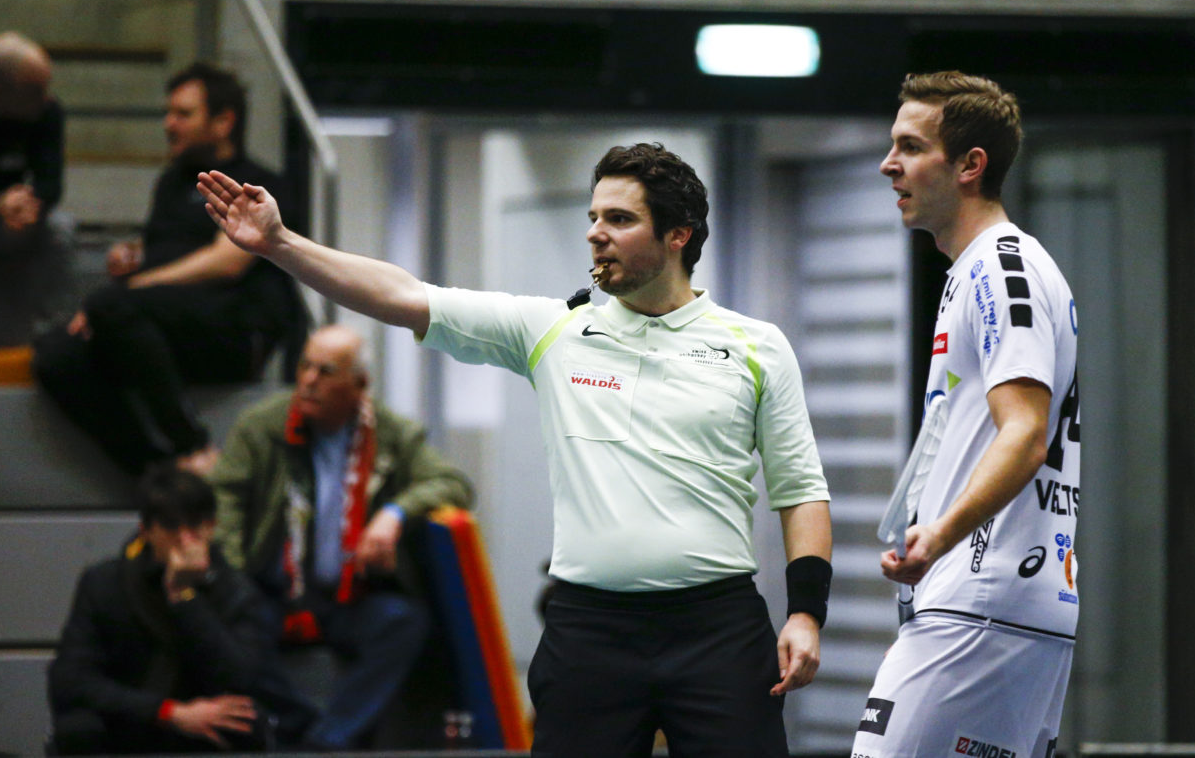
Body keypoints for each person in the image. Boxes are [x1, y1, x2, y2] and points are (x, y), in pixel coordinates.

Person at [197, 142, 833, 758]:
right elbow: (398, 294)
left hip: (717, 629)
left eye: (619, 219)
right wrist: (280, 244)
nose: (595, 234)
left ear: (678, 236)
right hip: (590, 631)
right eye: (592, 217)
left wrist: (805, 613)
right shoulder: (554, 329)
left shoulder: (756, 345)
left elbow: (800, 489)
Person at [852, 71, 1081, 758]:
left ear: (970, 165)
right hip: (1004, 607)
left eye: (910, 146)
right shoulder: (979, 269)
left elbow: (1025, 433)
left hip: (980, 605)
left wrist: (941, 535)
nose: (889, 163)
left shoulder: (1001, 269)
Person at [209, 323, 474, 750]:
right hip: (272, 592)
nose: (309, 381)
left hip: (351, 597)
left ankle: (326, 742)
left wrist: (392, 514)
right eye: (305, 366)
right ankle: (302, 725)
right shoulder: (262, 427)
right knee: (231, 622)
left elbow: (453, 483)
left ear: (360, 384)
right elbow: (226, 501)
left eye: (326, 371)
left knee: (405, 621)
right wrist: (234, 576)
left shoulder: (391, 433)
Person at [33, 61, 300, 475]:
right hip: (165, 326)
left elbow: (227, 263)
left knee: (110, 306)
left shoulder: (258, 185)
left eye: (182, 114)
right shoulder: (172, 182)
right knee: (54, 355)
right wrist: (135, 257)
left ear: (224, 121)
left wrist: (129, 290)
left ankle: (193, 446)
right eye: (167, 113)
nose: (168, 124)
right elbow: (169, 248)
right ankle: (154, 467)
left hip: (236, 329)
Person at [49, 466, 316, 753]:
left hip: (205, 723)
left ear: (211, 527)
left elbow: (242, 677)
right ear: (146, 531)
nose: (185, 540)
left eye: (195, 525)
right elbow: (69, 680)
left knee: (246, 725)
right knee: (77, 728)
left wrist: (184, 597)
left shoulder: (236, 591)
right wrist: (170, 713)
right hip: (132, 718)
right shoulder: (105, 583)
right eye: (172, 526)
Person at [0, 31, 71, 346]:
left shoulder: (47, 112)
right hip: (0, 210)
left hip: (18, 215)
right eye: (34, 91)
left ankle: (53, 335)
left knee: (61, 230)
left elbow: (51, 182)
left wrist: (29, 205)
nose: (46, 98)